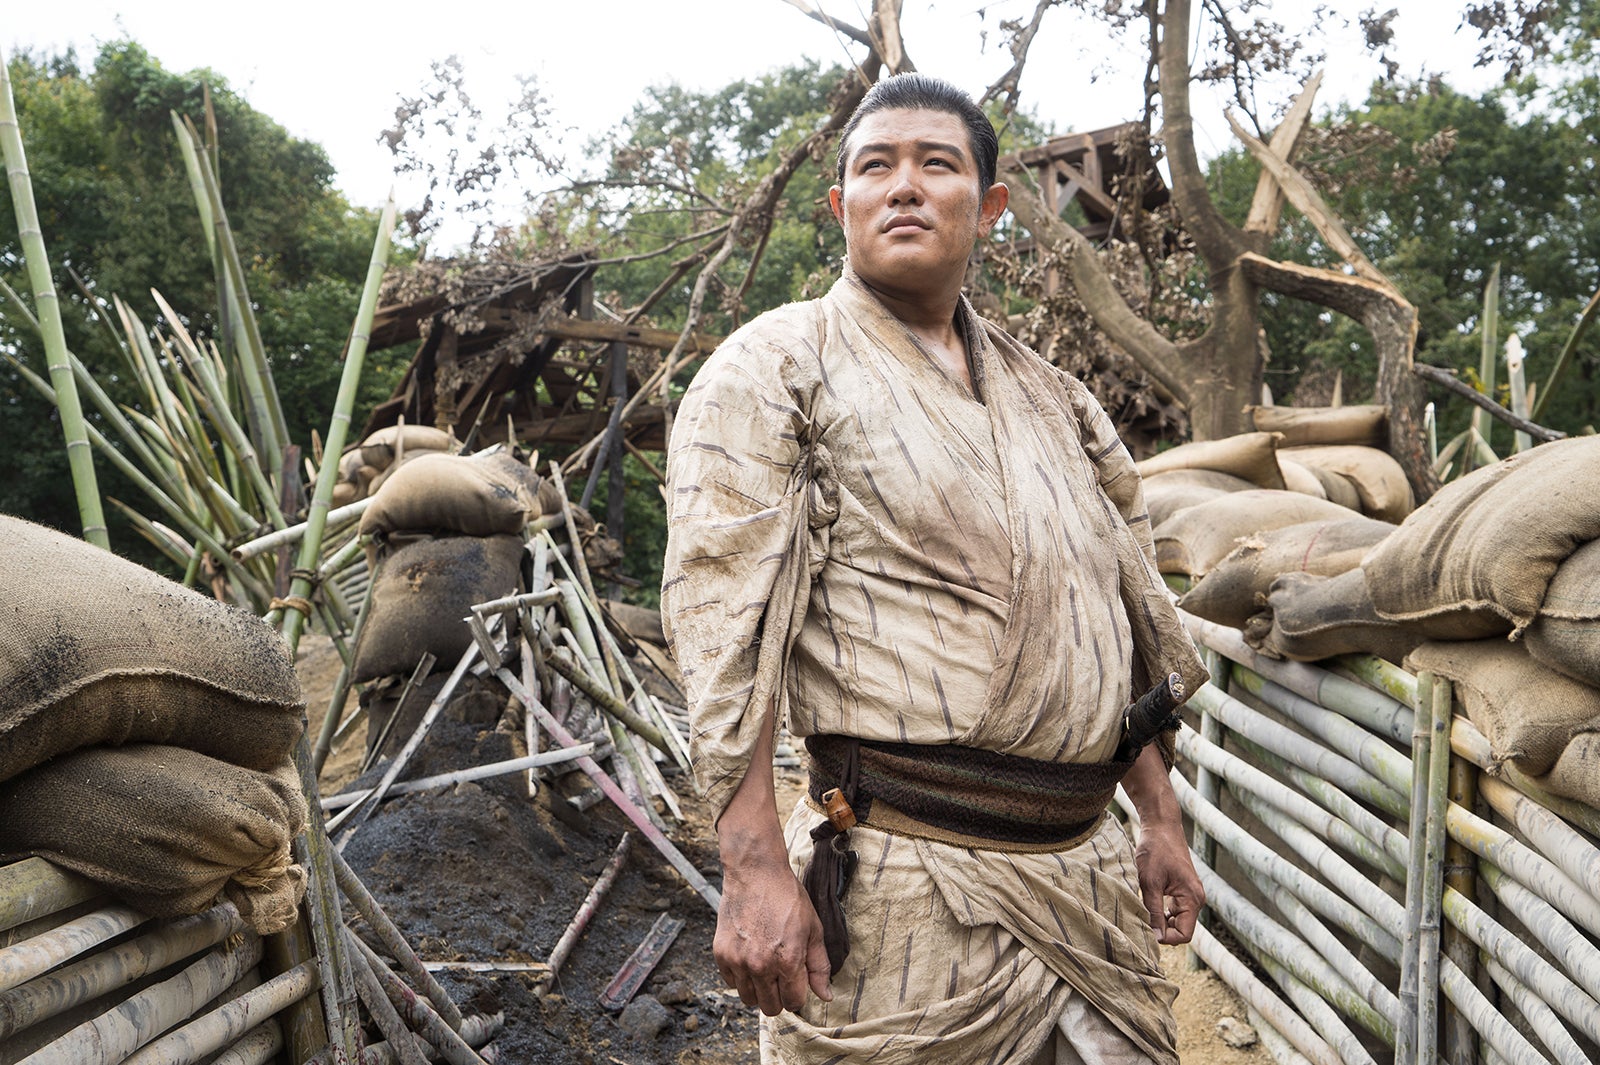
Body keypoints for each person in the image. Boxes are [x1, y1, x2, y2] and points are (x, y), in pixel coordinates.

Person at [661, 73, 1209, 1065]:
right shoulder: (772, 369)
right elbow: (719, 633)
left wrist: (1158, 817)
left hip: (1086, 888)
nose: (902, 187)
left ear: (989, 207)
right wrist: (748, 870)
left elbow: (1108, 620)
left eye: (936, 165)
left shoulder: (1058, 401)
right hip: (901, 888)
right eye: (875, 167)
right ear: (841, 208)